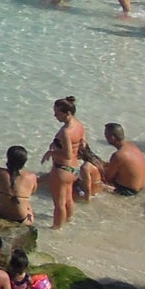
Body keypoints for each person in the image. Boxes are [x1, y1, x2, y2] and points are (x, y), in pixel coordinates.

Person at [46, 95, 86, 229]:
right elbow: (83, 143)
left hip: (62, 169)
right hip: (74, 169)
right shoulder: (79, 125)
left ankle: (56, 228)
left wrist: (51, 152)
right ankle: (69, 220)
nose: (54, 116)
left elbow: (68, 154)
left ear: (67, 113)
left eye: (57, 113)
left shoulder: (66, 132)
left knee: (59, 203)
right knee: (69, 198)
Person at [92, 121, 145, 195]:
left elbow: (107, 178)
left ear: (112, 137)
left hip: (128, 191)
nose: (105, 138)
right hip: (139, 186)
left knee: (94, 182)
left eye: (106, 135)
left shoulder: (118, 155)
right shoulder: (132, 146)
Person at [0, 145, 38, 224]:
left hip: (0, 214)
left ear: (8, 159)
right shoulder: (31, 177)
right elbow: (33, 191)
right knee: (28, 205)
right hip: (20, 218)